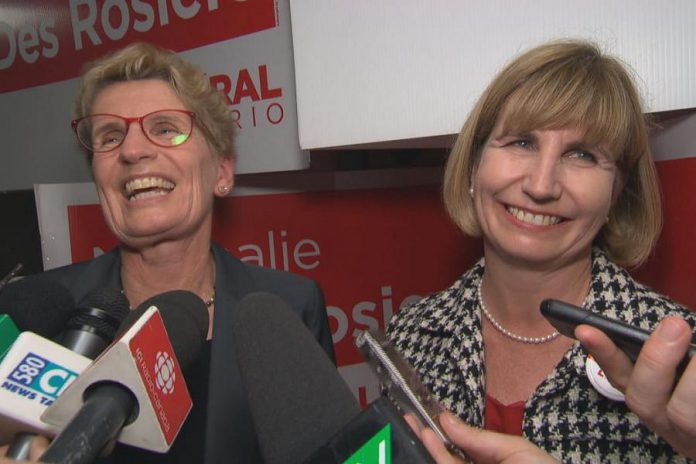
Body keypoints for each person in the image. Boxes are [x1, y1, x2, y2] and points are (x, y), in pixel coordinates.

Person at [1, 42, 334, 463]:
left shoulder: (292, 306)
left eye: (164, 128)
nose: (132, 151)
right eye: (110, 136)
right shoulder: (34, 316)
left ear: (222, 172)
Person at [387, 39, 696, 463]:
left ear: (615, 193)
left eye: (582, 154)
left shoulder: (679, 360)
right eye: (521, 143)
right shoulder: (411, 333)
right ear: (474, 165)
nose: (541, 185)